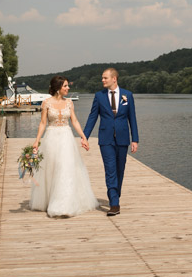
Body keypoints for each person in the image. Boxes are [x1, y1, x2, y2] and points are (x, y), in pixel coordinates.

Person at [30, 76, 99, 217]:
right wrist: (37, 141)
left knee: (65, 169)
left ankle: (63, 205)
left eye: (68, 85)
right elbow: (43, 123)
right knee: (52, 169)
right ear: (58, 87)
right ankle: (50, 200)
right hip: (51, 138)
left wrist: (83, 136)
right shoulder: (46, 103)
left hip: (67, 138)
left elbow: (74, 121)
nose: (68, 88)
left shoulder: (69, 103)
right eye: (65, 86)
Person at [82, 68, 139, 216]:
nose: (102, 80)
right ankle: (114, 203)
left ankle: (115, 194)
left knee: (120, 169)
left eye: (105, 78)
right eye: (102, 78)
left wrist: (135, 140)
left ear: (114, 79)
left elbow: (132, 118)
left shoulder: (128, 95)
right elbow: (92, 117)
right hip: (106, 139)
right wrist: (84, 136)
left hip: (123, 139)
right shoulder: (99, 96)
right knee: (110, 170)